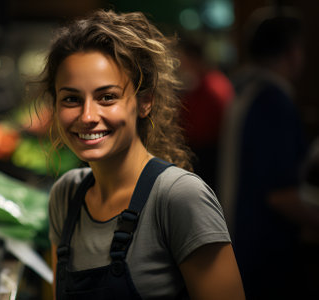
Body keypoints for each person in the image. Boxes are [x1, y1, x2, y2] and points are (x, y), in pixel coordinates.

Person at [39, 9, 245, 300]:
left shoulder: (179, 197)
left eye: (107, 97)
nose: (87, 116)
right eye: (71, 99)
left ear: (144, 101)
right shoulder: (65, 196)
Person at [218, 10, 319, 299]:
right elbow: (280, 195)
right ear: (292, 52)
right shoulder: (272, 100)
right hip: (264, 247)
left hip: (239, 237)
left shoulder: (243, 88)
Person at [178, 37, 235, 191]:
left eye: (183, 58)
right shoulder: (205, 83)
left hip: (211, 156)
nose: (181, 64)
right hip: (206, 154)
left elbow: (204, 128)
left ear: (193, 58)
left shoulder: (214, 87)